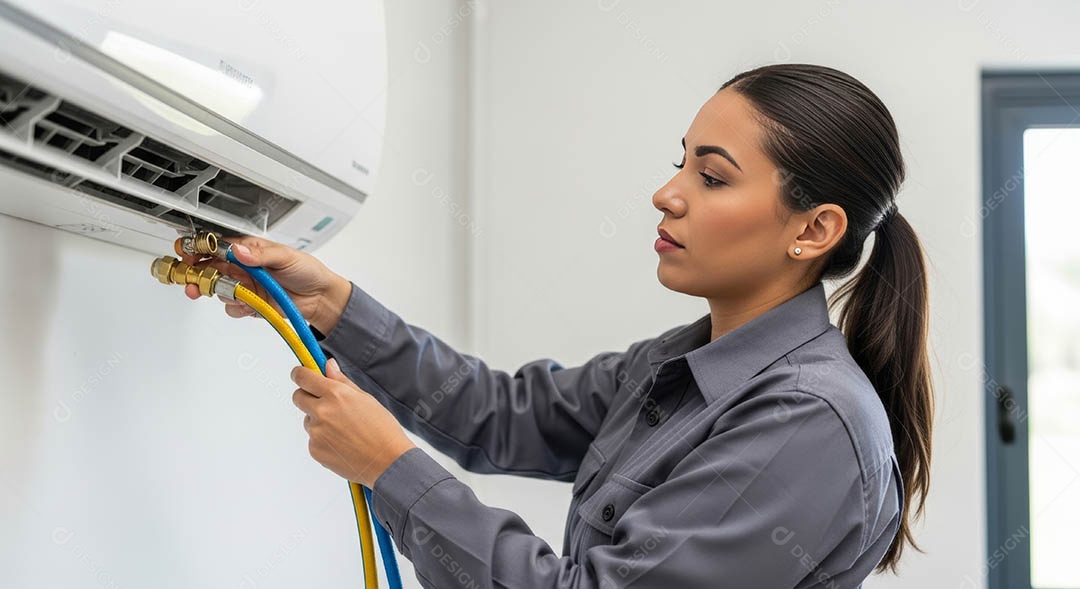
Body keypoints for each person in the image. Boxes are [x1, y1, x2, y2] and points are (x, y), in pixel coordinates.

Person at [183, 63, 933, 588]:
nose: (666, 194)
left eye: (711, 176)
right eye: (680, 164)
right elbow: (498, 413)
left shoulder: (808, 422)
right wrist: (331, 306)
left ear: (814, 229)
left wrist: (390, 467)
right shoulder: (678, 362)